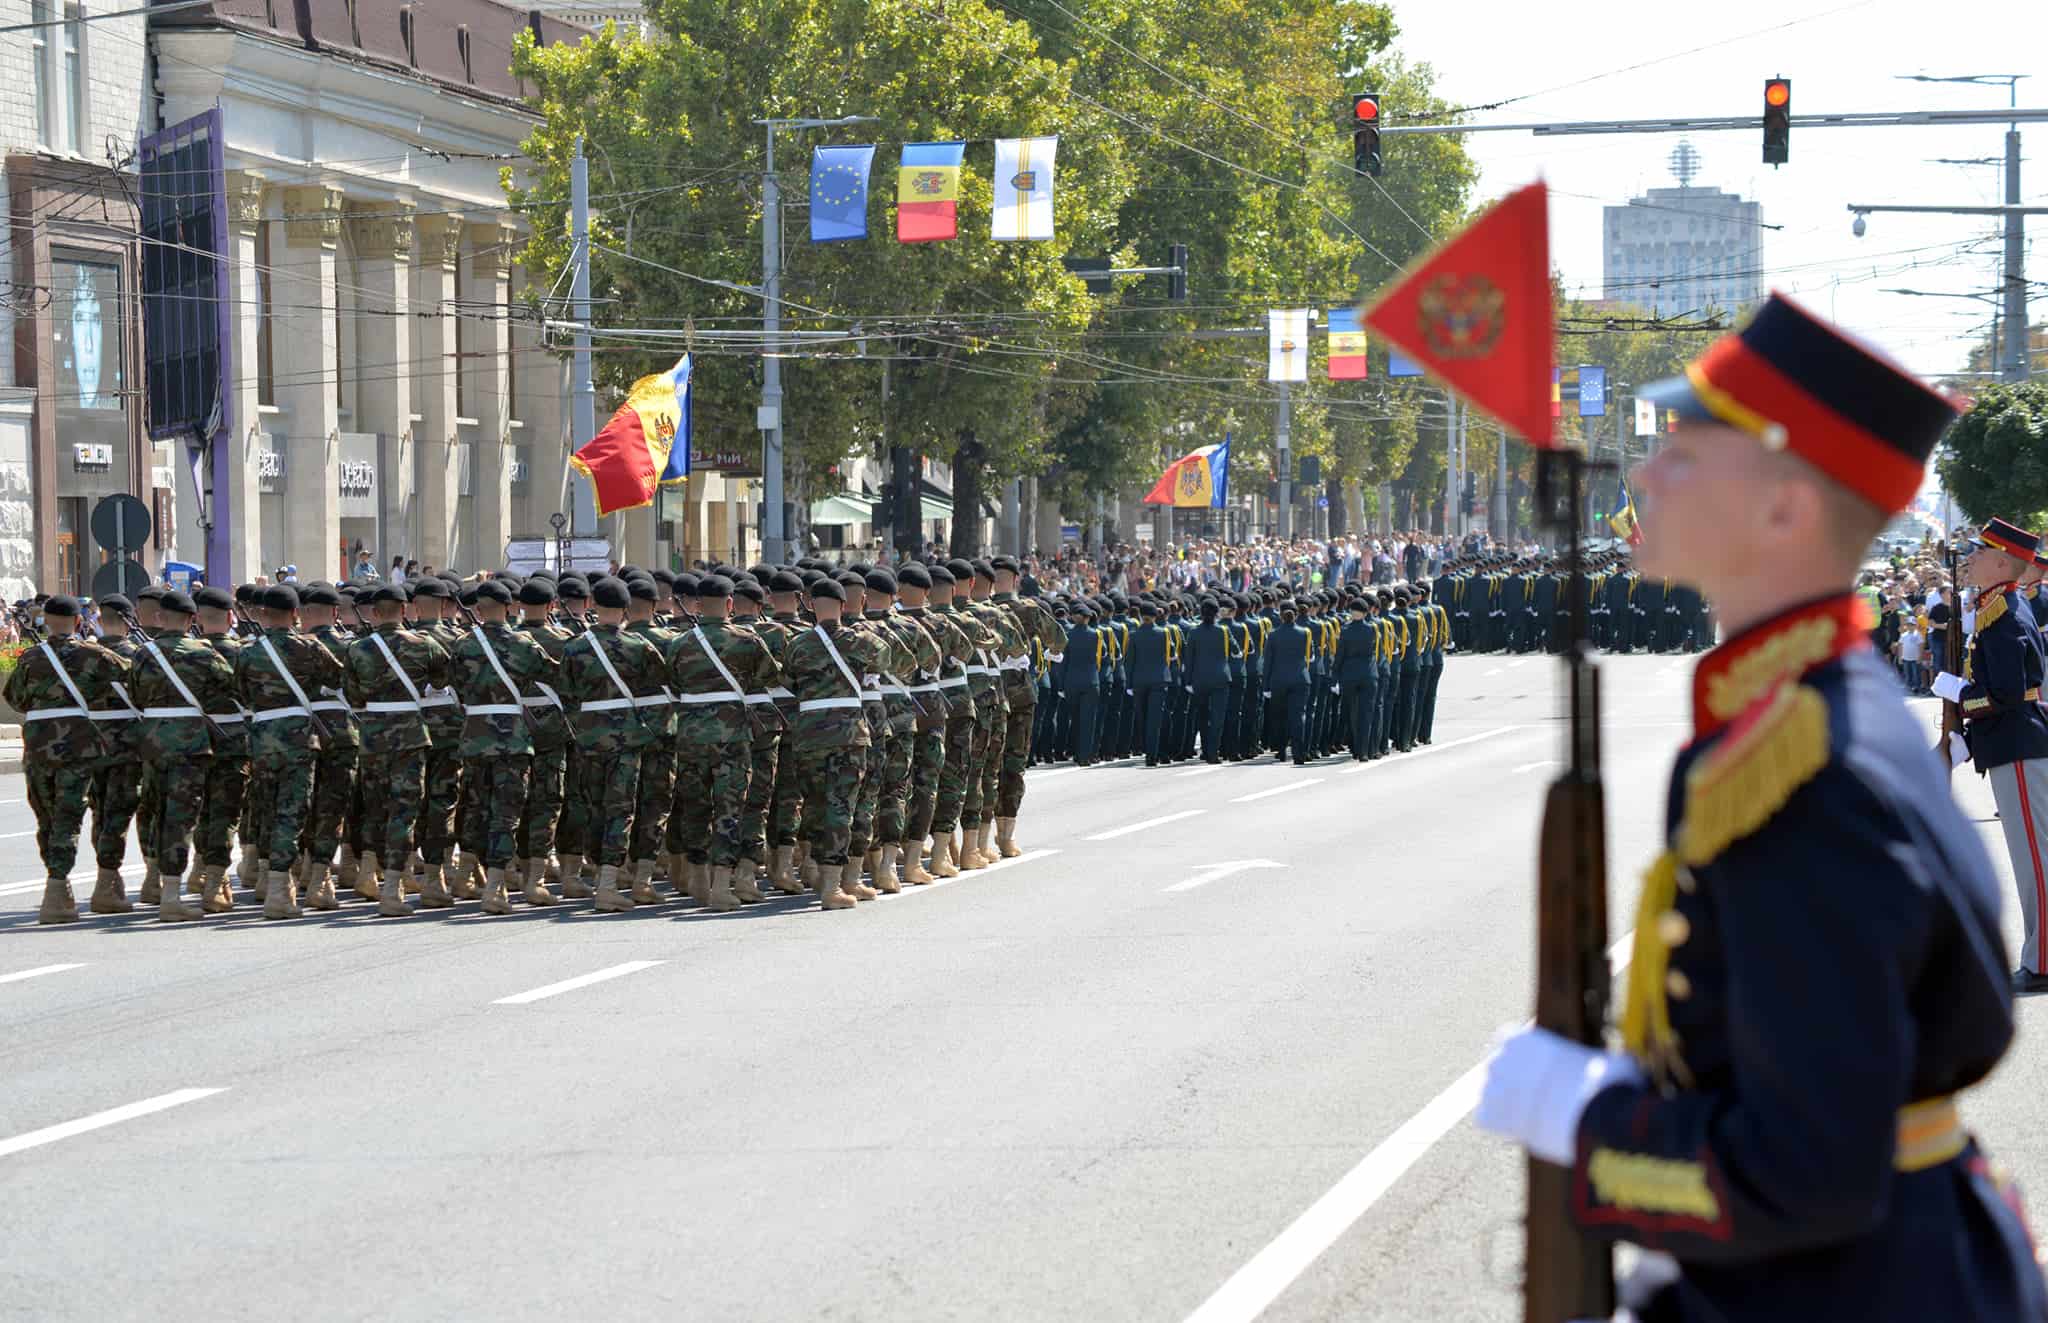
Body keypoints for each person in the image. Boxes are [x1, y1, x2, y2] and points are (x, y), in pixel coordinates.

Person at [1475, 291, 2047, 1322]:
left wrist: (1594, 1125)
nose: (1645, 475)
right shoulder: (1806, 717)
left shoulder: (1809, 776)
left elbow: (1804, 1175)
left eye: (1684, 453)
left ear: (1785, 509)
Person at [1934, 519, 2048, 994]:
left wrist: (1961, 696)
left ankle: (2042, 963)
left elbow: (2002, 693)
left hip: (2019, 745)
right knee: (2033, 857)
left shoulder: (2002, 613)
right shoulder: (1996, 609)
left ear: (2003, 561)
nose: (1971, 560)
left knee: (2035, 862)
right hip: (2014, 743)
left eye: (1979, 553)